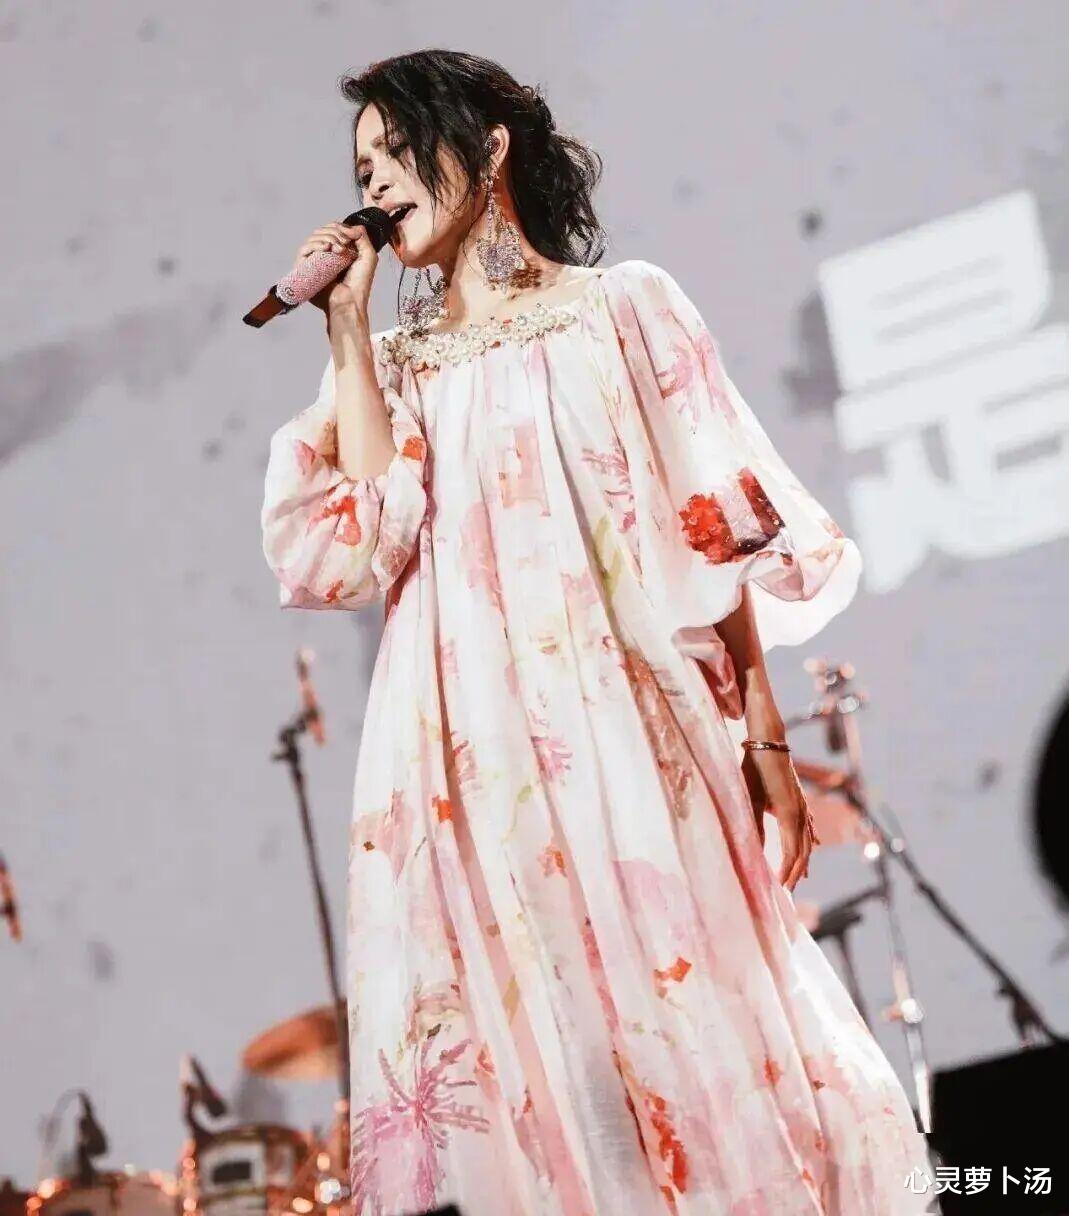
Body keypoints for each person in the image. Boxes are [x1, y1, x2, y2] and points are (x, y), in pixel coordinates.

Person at [261, 49, 931, 1216]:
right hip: (468, 765)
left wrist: (765, 735)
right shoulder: (396, 370)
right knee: (561, 1081)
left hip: (627, 731)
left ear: (489, 146)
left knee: (705, 1027)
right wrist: (347, 334)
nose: (375, 185)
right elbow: (360, 541)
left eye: (396, 152)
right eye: (360, 170)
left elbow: (716, 523)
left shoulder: (620, 308)